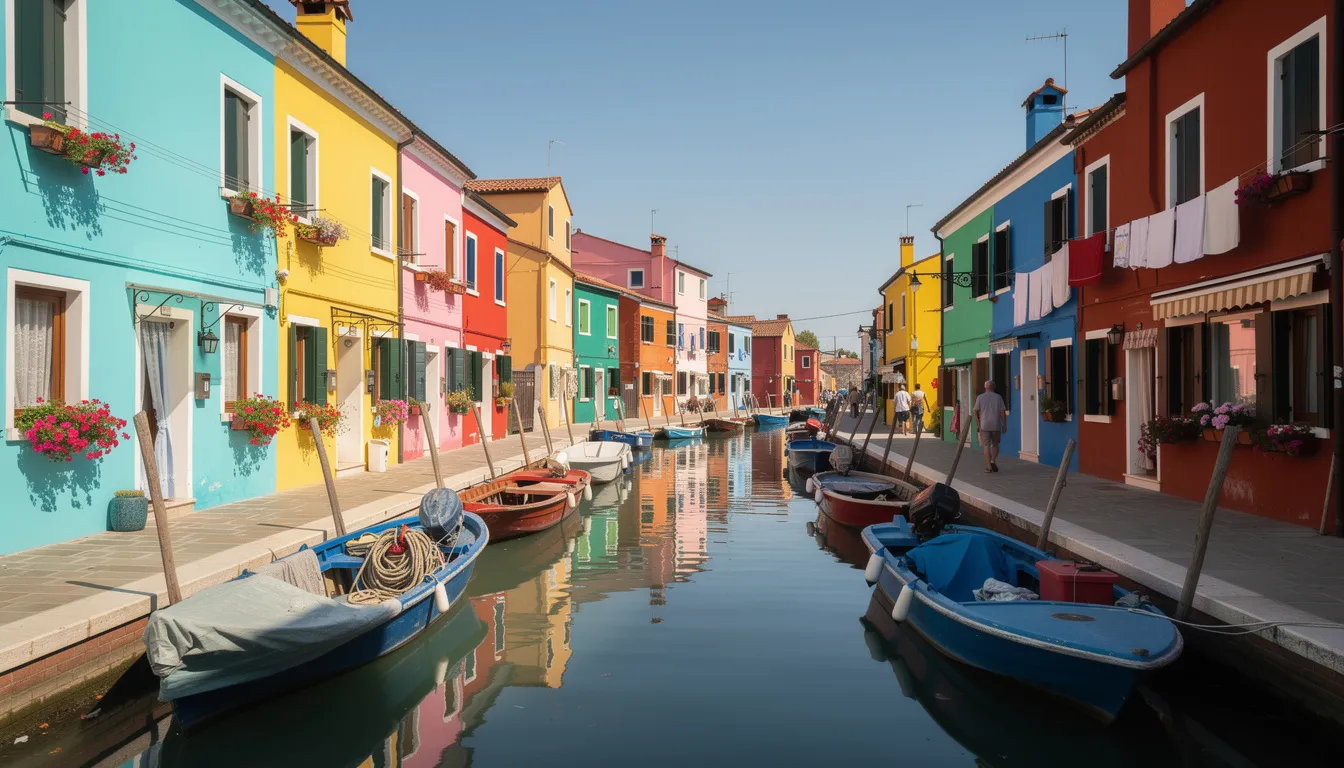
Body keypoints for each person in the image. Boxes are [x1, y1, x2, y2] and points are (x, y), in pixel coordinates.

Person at [974, 380, 1008, 473]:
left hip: (984, 425)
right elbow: (1002, 412)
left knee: (986, 446)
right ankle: (993, 460)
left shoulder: (980, 397)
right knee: (995, 444)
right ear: (994, 387)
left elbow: (975, 411)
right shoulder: (998, 397)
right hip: (995, 425)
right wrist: (1004, 425)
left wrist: (978, 424)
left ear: (985, 387)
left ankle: (988, 467)